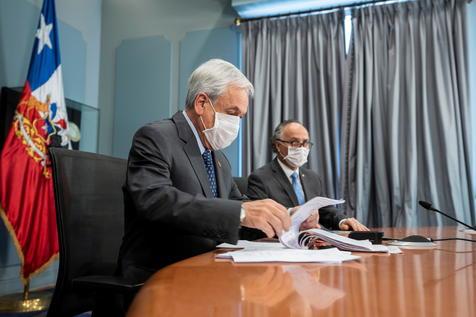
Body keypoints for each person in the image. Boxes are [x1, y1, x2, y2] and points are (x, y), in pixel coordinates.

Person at [116, 60, 318, 283]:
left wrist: (286, 217)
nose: (236, 123)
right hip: (159, 272)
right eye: (232, 113)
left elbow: (236, 217)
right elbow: (155, 200)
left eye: (240, 117)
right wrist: (241, 212)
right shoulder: (156, 137)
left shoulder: (218, 157)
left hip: (208, 269)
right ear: (202, 103)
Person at [246, 120, 368, 232]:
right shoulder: (260, 178)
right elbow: (258, 223)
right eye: (294, 142)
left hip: (312, 243)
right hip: (280, 245)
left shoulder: (312, 177)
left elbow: (325, 211)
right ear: (278, 145)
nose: (302, 148)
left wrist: (343, 220)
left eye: (305, 143)